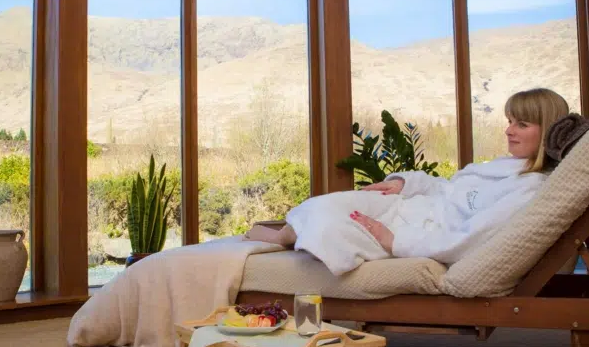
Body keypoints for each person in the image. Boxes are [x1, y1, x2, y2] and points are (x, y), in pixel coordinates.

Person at [244, 88, 570, 275]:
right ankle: (286, 233)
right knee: (326, 204)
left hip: (415, 232)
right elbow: (448, 188)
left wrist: (394, 240)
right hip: (409, 204)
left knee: (330, 229)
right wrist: (404, 183)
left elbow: (470, 238)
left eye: (522, 124)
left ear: (549, 131)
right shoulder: (505, 167)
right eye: (510, 121)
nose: (509, 130)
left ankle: (279, 237)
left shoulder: (528, 188)